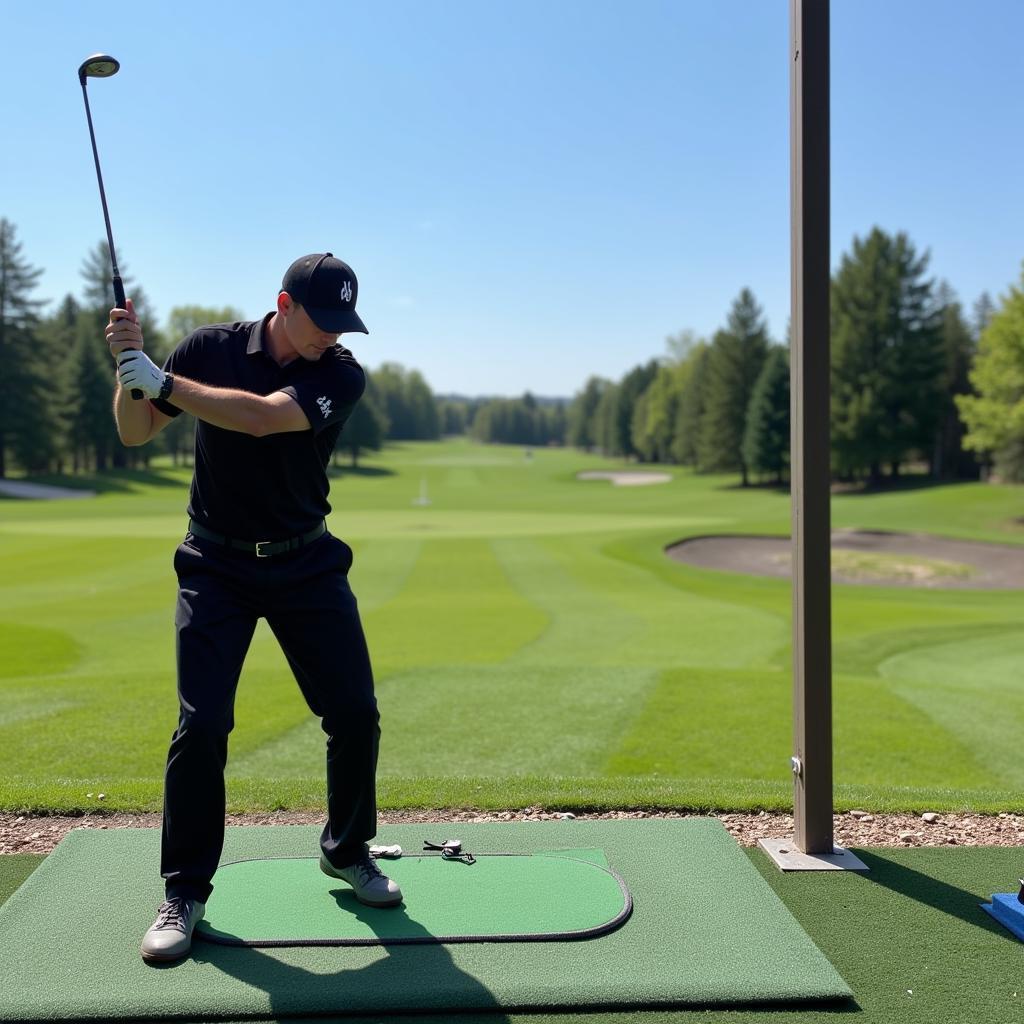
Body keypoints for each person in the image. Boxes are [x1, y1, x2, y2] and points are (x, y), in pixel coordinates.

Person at [106, 253, 401, 965]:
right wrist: (130, 370)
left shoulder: (340, 373)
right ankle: (184, 892)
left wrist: (165, 381)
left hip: (306, 560)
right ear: (284, 304)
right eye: (323, 322)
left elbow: (267, 421)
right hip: (215, 564)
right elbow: (135, 431)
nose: (333, 336)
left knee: (355, 711)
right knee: (201, 723)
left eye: (343, 325)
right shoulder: (208, 349)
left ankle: (346, 849)